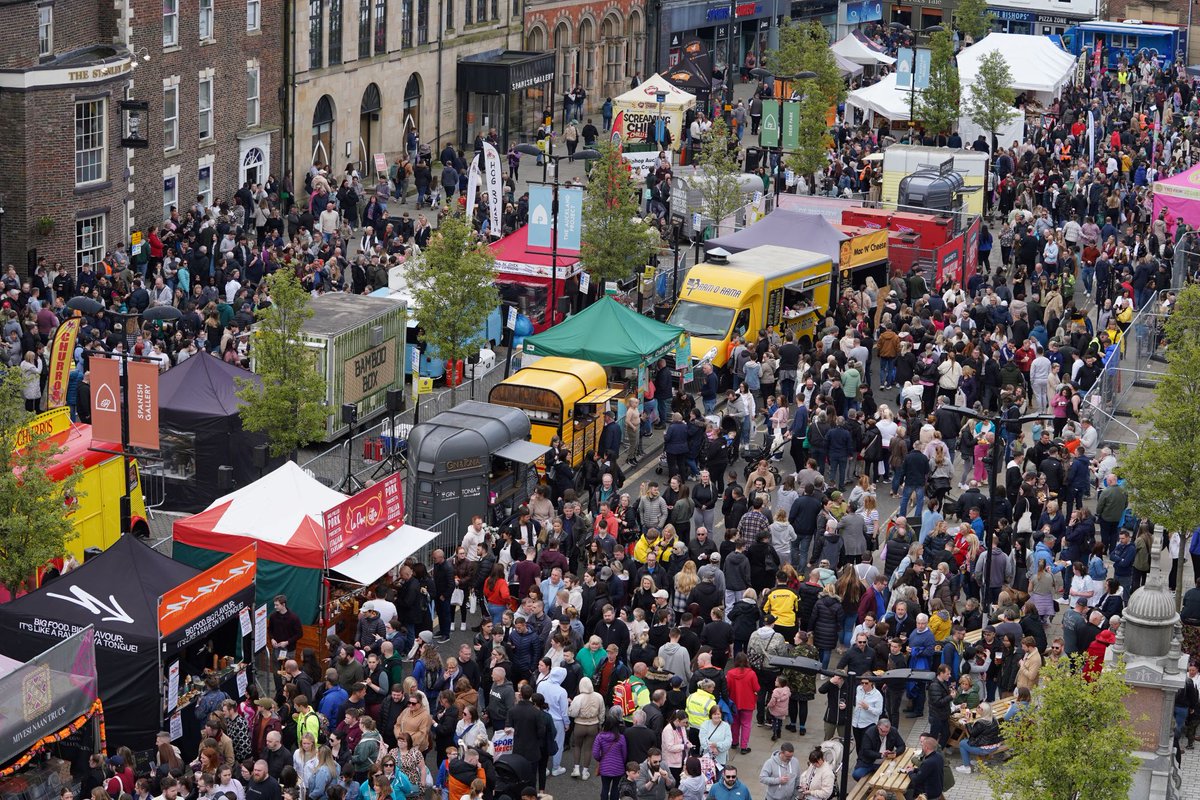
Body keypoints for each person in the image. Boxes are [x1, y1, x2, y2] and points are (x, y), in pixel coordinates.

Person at [956, 702, 1004, 773]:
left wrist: (968, 722)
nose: (977, 708)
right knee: (973, 741)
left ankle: (966, 767)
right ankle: (980, 762)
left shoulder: (981, 723)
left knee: (962, 743)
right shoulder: (993, 719)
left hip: (985, 749)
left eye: (978, 707)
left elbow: (972, 733)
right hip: (995, 745)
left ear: (982, 710)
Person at [903, 732, 945, 799]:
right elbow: (927, 771)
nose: (921, 746)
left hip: (928, 794)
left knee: (906, 793)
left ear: (926, 747)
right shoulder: (938, 756)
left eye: (922, 745)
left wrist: (909, 772)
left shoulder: (928, 762)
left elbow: (916, 779)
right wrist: (914, 769)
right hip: (937, 789)